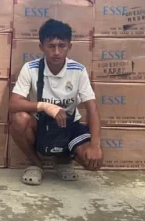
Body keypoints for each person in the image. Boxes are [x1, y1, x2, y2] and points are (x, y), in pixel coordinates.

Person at [8, 19, 103, 185]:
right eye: (51, 46)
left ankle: (63, 160)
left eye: (62, 46)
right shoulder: (31, 69)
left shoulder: (78, 70)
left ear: (69, 46)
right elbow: (13, 104)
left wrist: (95, 145)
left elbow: (92, 109)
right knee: (20, 118)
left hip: (69, 125)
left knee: (93, 163)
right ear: (41, 47)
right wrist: (45, 106)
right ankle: (36, 164)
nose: (57, 52)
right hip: (41, 125)